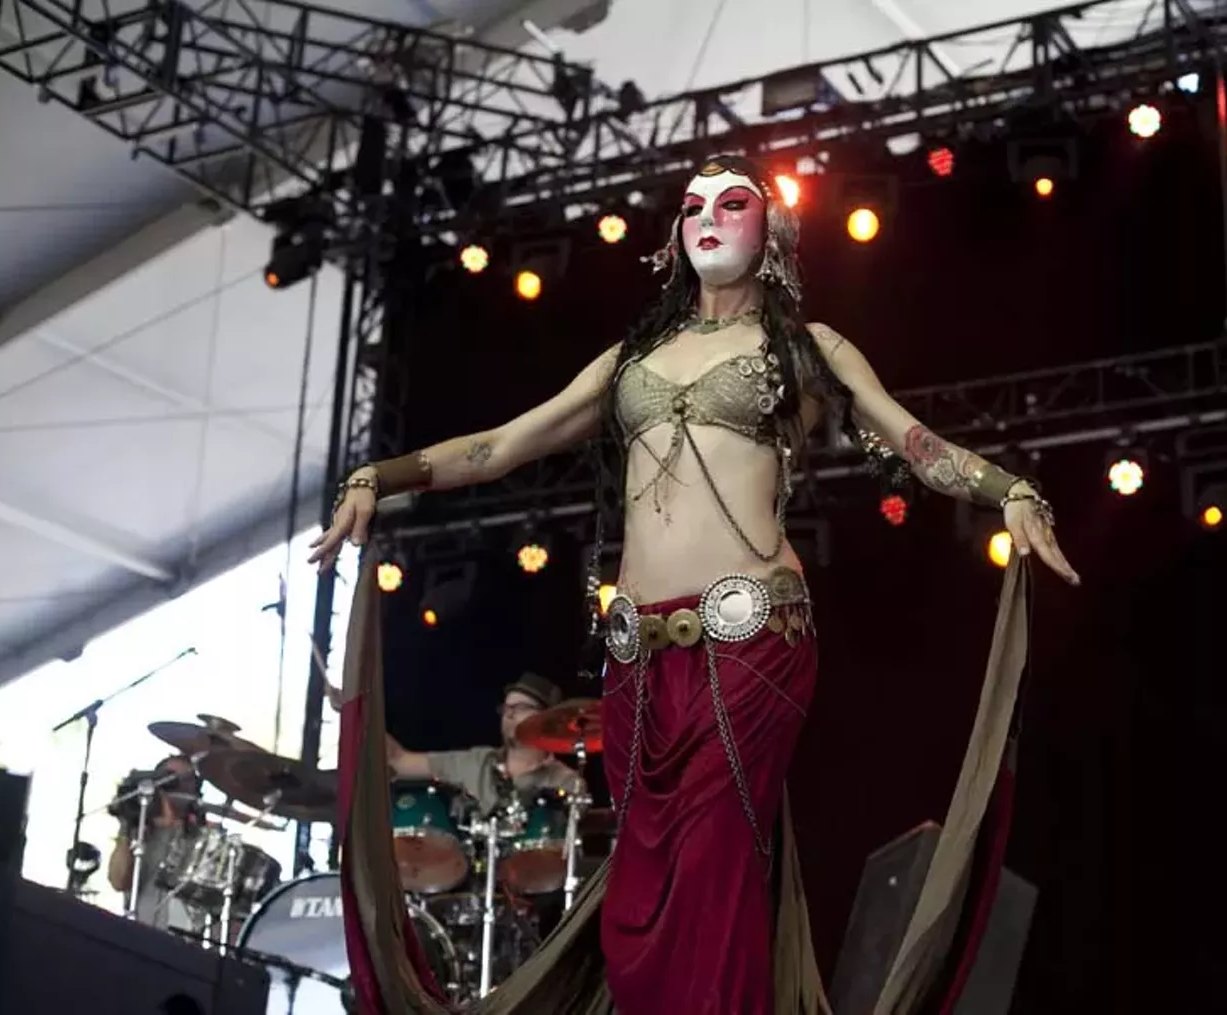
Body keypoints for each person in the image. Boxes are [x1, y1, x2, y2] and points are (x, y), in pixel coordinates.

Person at [314, 154, 1079, 1015]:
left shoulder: (807, 348)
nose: (707, 217)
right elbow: (501, 445)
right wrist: (380, 475)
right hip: (639, 657)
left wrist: (1008, 490)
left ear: (773, 230)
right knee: (640, 898)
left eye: (732, 202)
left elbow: (912, 441)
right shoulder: (631, 359)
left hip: (752, 643)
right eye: (692, 206)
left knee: (712, 863)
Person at [384, 672, 580, 808]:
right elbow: (400, 761)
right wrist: (368, 715)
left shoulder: (567, 781)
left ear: (546, 718)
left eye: (521, 708)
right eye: (507, 708)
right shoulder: (477, 761)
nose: (509, 715)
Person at [106, 754, 202, 933]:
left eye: (186, 780)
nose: (178, 785)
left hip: (183, 938)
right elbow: (118, 882)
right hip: (138, 928)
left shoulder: (201, 837)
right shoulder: (141, 827)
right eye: (171, 778)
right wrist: (126, 826)